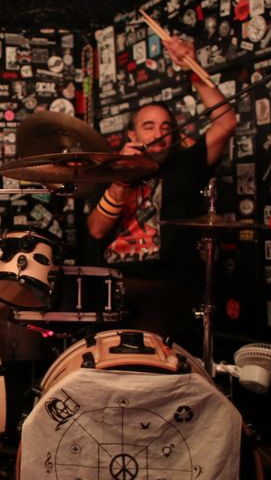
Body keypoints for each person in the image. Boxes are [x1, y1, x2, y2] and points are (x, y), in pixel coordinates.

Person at [87, 36, 237, 350]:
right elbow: (97, 230)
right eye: (149, 126)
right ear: (132, 134)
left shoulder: (186, 163)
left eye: (166, 127)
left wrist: (192, 68)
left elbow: (225, 123)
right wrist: (122, 179)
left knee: (145, 349)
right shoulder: (112, 170)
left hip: (167, 284)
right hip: (115, 281)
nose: (159, 133)